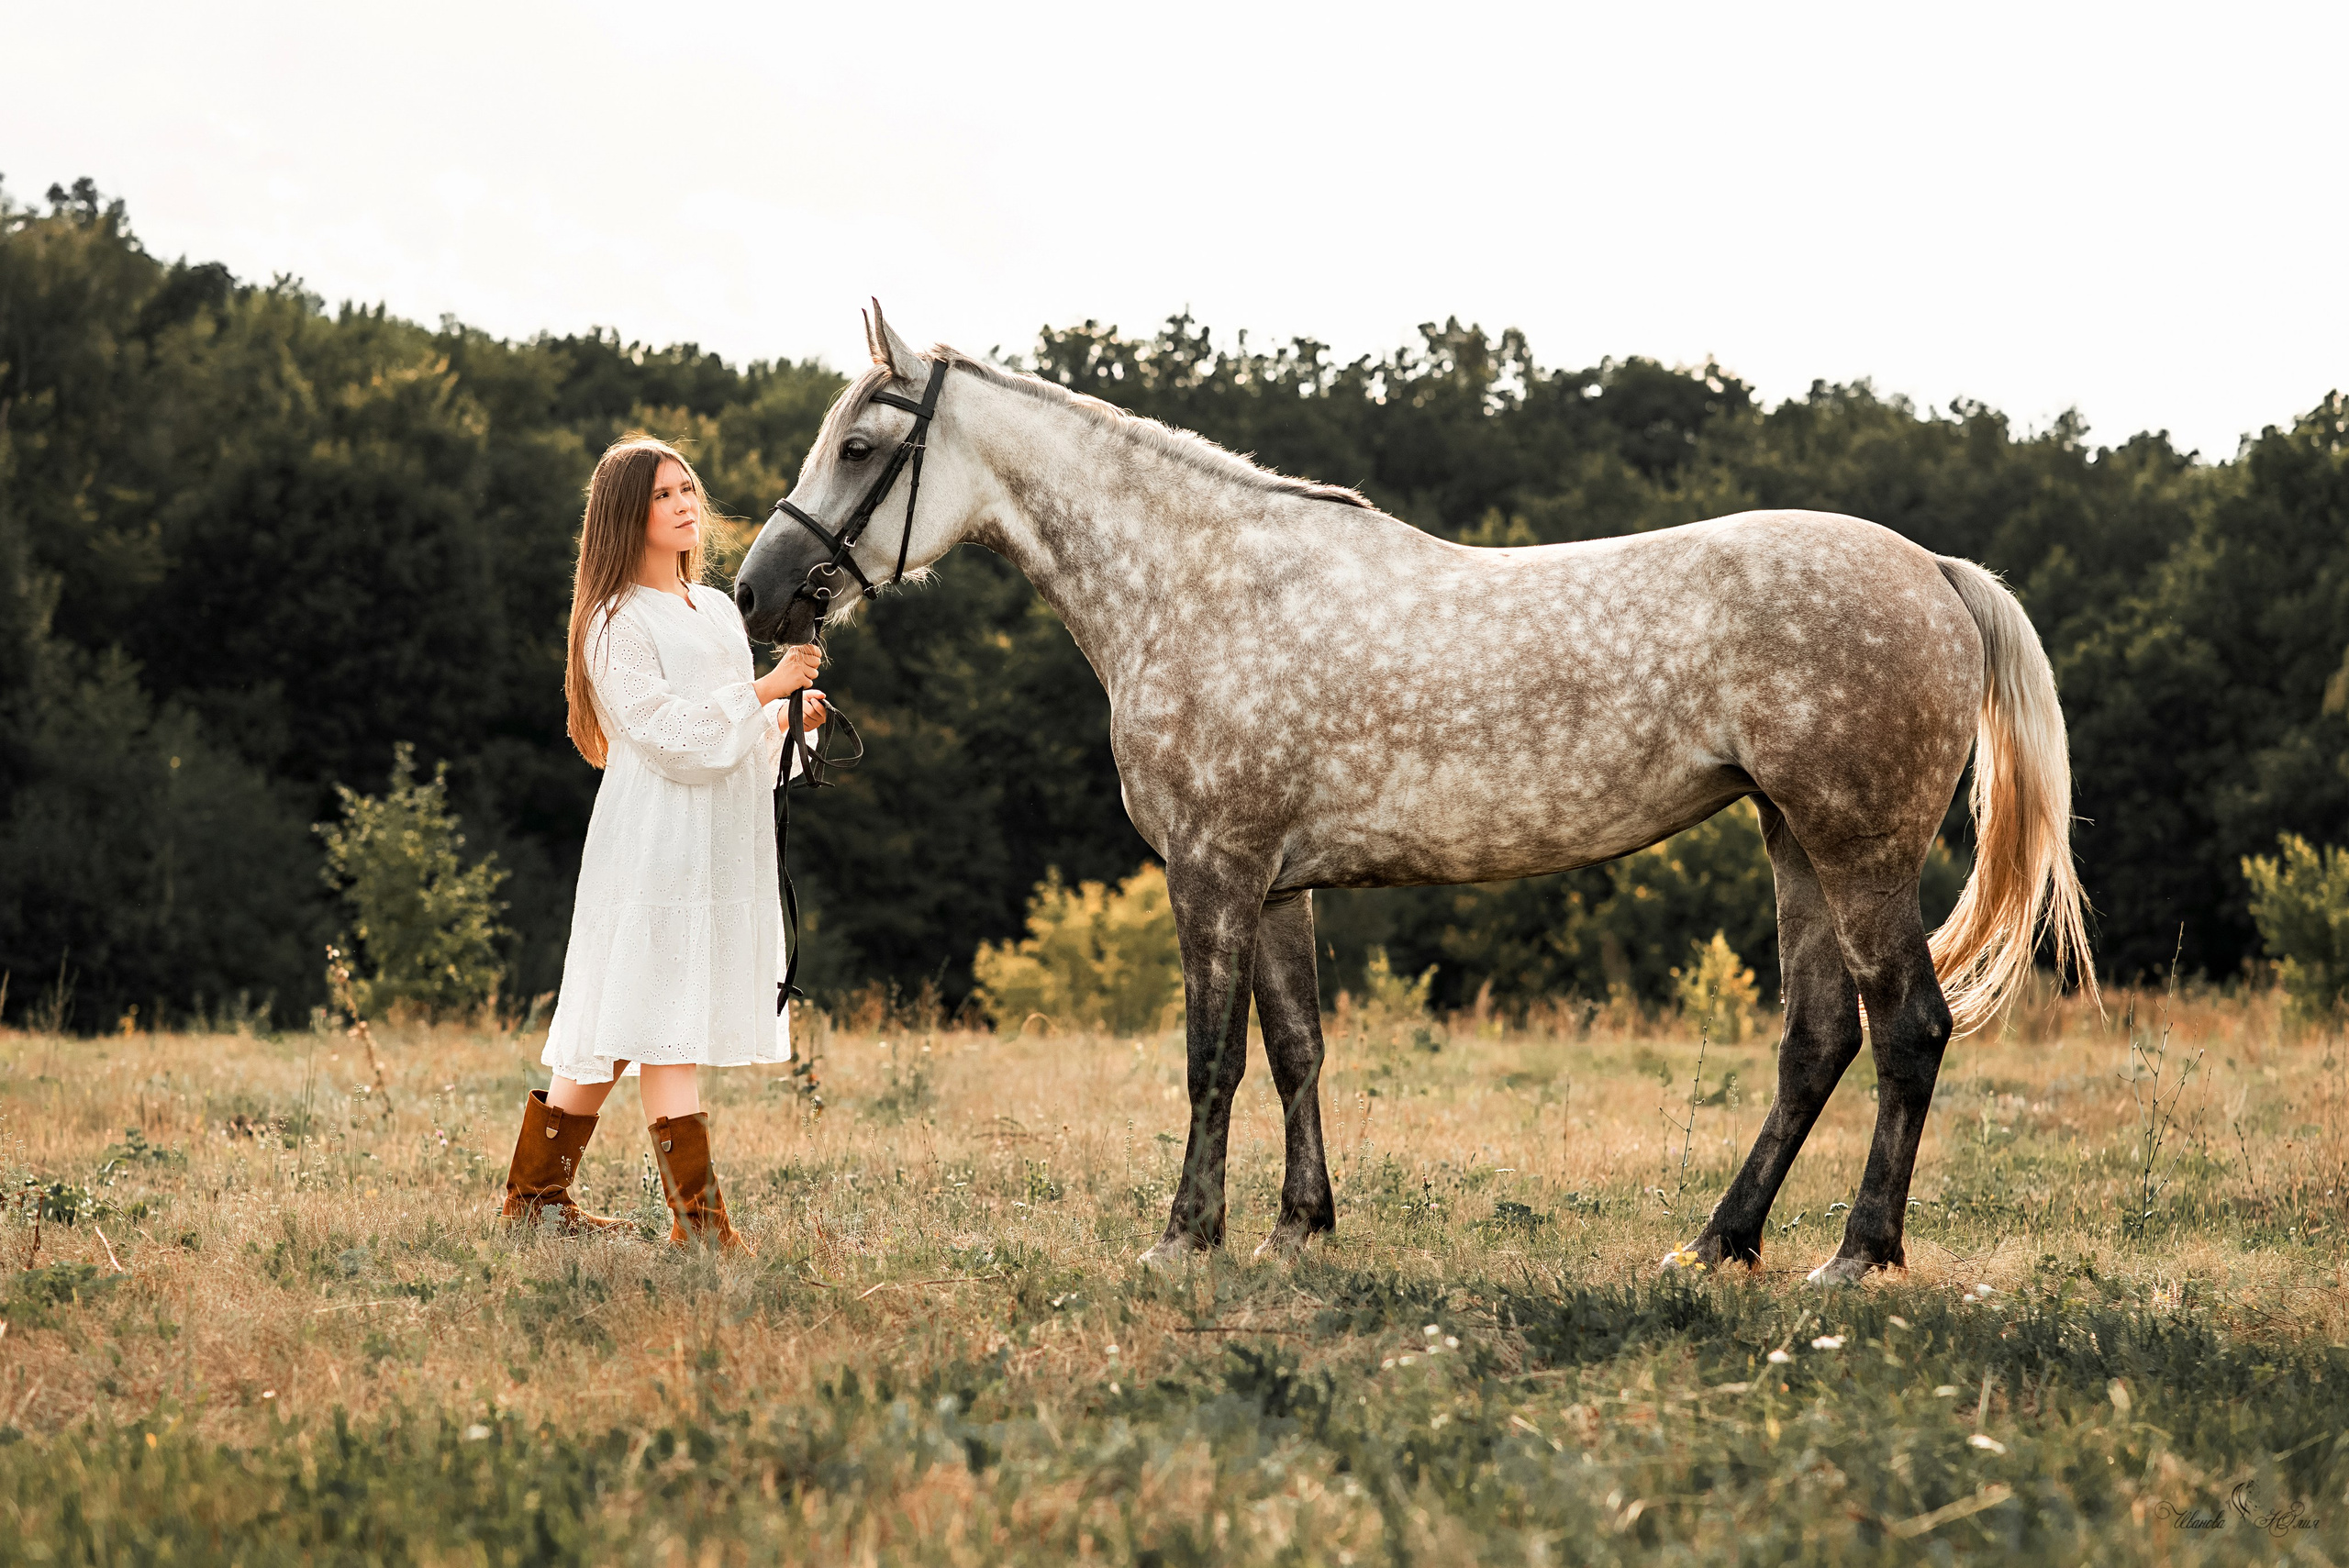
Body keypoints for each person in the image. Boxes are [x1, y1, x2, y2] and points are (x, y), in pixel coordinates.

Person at [498, 434, 822, 1252]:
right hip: (653, 844)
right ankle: (701, 1228)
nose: (685, 505)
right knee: (654, 1017)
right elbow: (671, 735)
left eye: (688, 489)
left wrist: (788, 718)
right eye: (663, 495)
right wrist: (766, 688)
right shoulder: (612, 622)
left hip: (715, 840)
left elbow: (731, 737)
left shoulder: (714, 609)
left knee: (625, 1021)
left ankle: (535, 1202)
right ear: (626, 517)